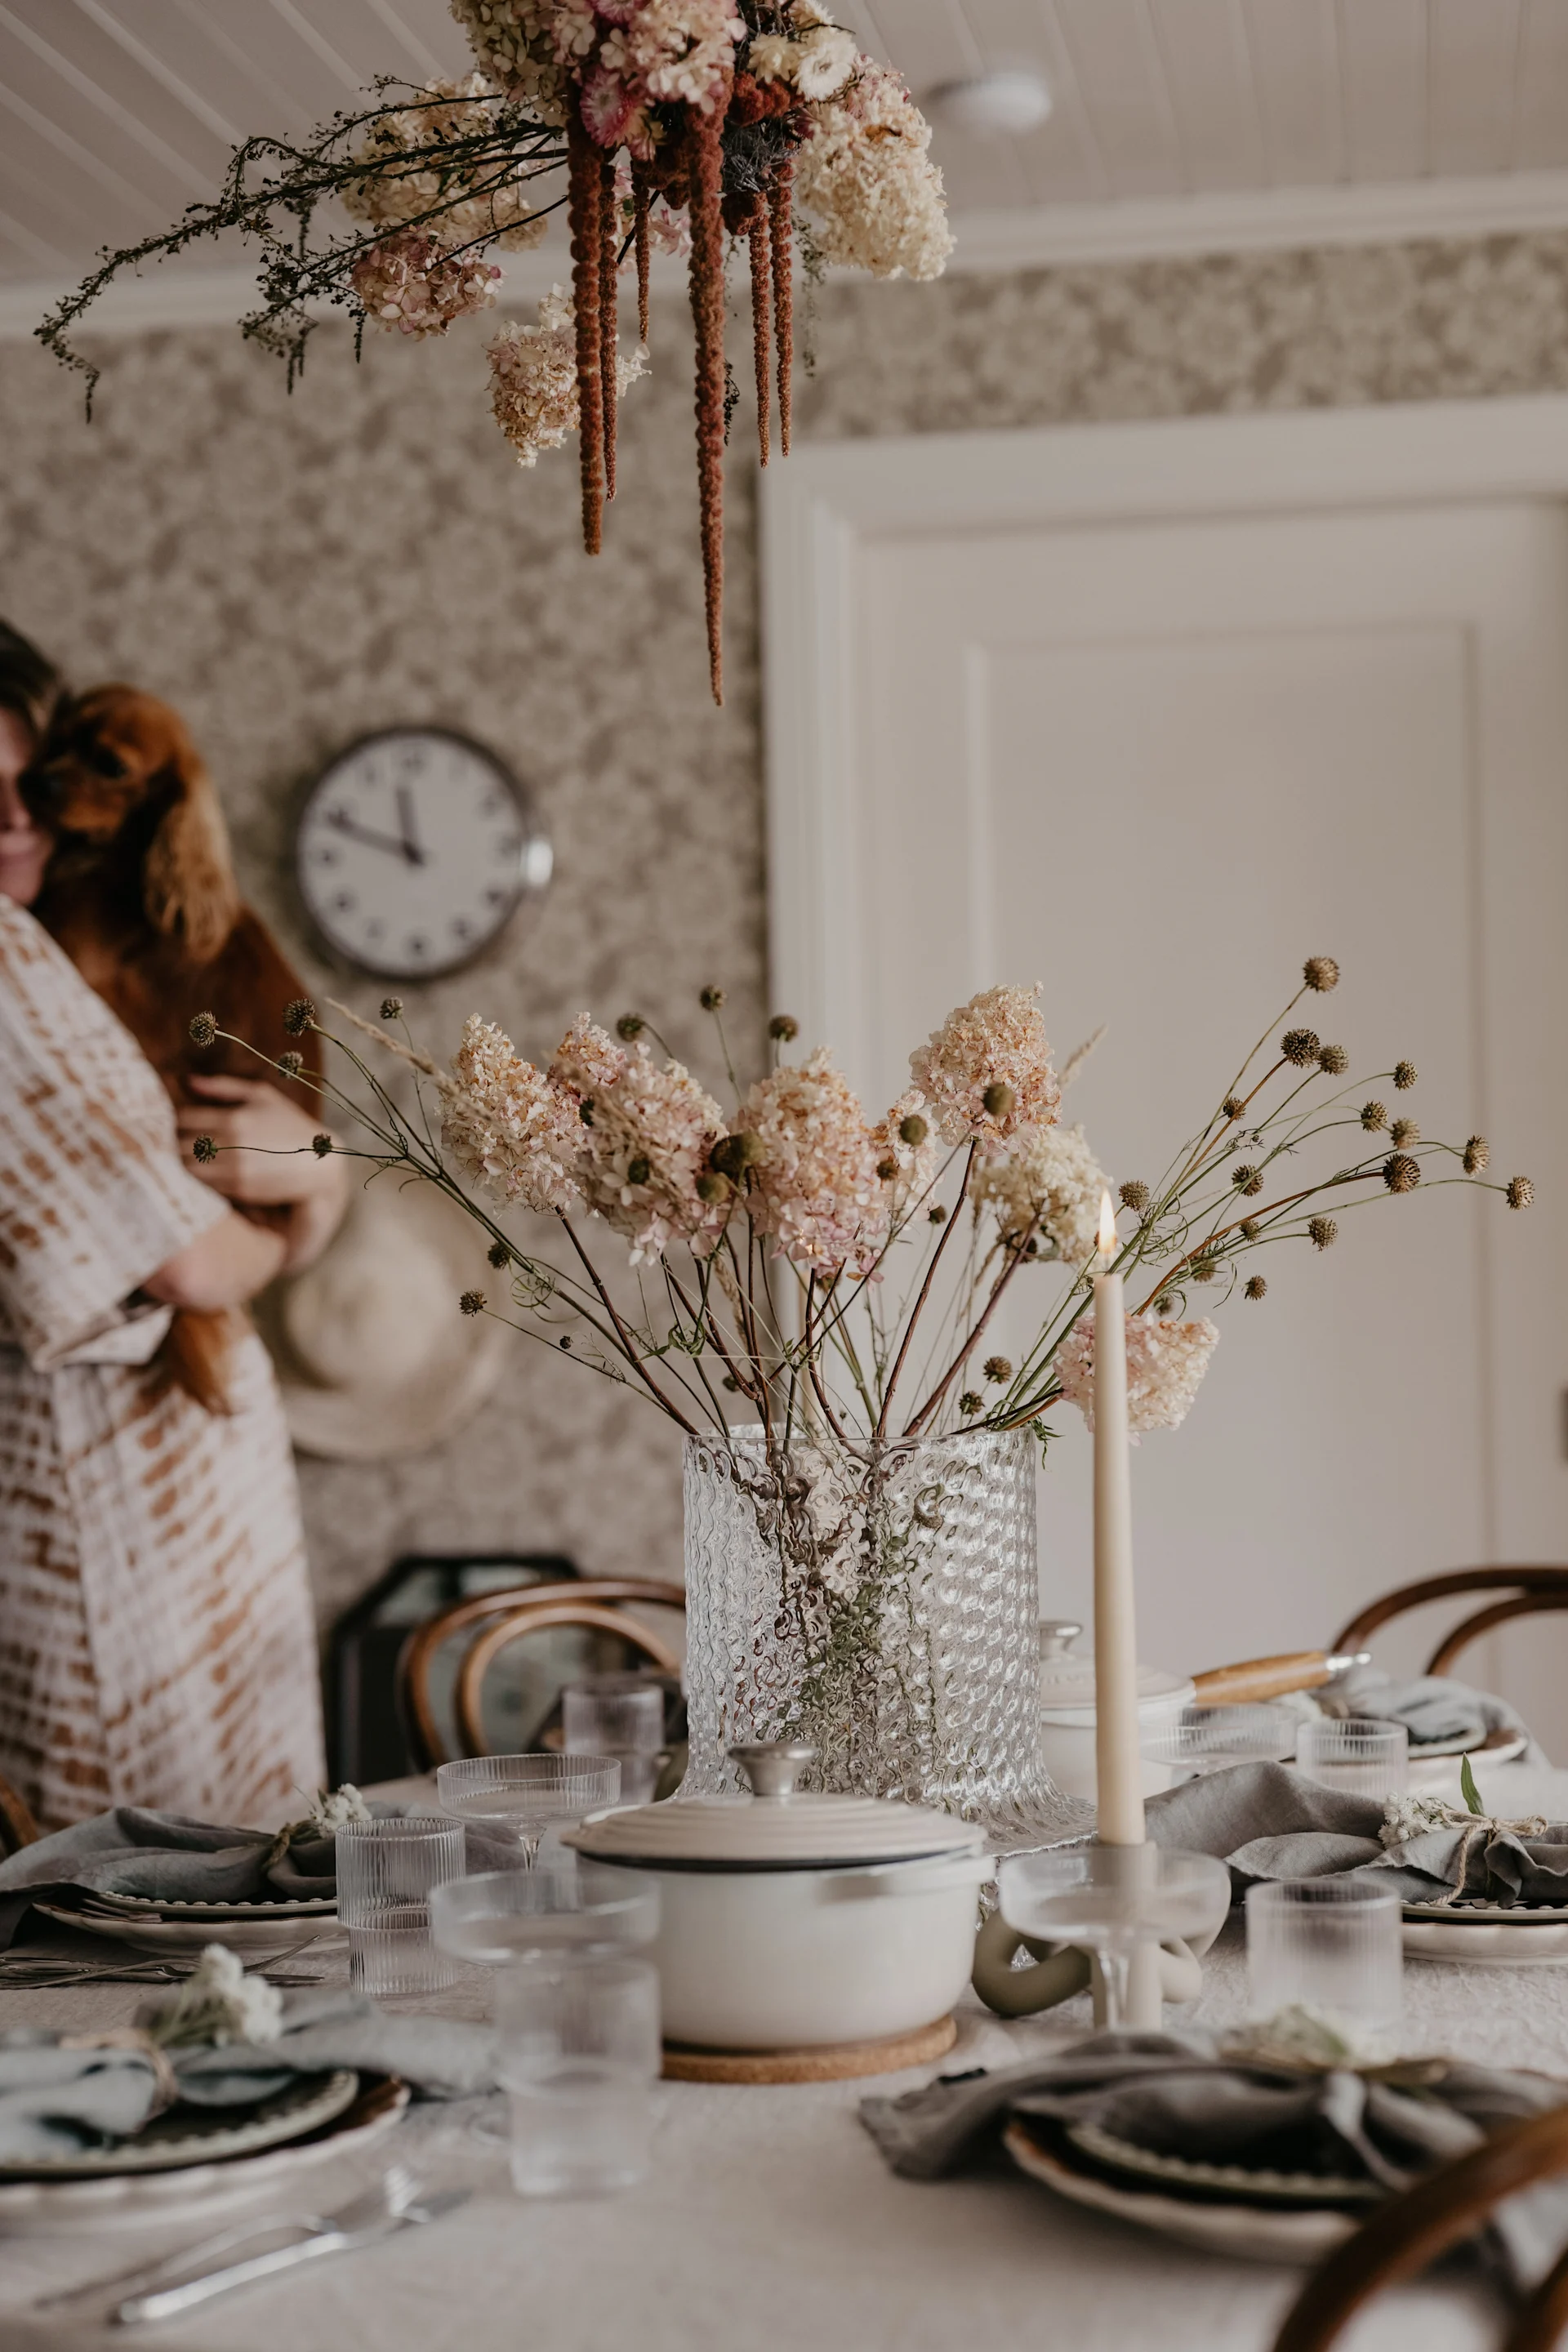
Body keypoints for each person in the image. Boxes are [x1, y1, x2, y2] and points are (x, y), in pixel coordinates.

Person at [0, 623, 346, 1828]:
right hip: (106, 1503)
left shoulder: (62, 946)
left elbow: (222, 1227)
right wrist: (318, 1186)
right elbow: (192, 1260)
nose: (26, 816)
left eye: (28, 779)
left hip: (193, 1480)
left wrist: (309, 1185)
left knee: (226, 1883)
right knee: (147, 1901)